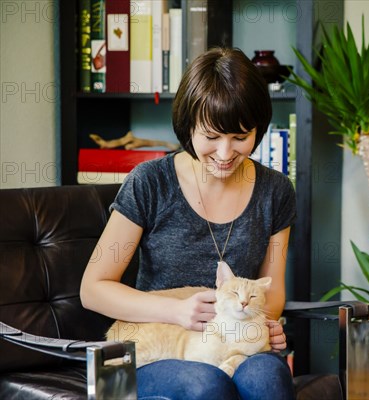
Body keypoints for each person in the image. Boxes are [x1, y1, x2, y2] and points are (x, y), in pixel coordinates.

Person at [80, 47, 296, 400]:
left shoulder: (276, 191)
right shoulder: (150, 182)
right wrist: (178, 311)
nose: (225, 154)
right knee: (207, 385)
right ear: (188, 125)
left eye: (240, 137)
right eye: (211, 136)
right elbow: (93, 288)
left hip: (233, 342)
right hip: (157, 348)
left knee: (267, 380)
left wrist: (259, 324)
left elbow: (274, 293)